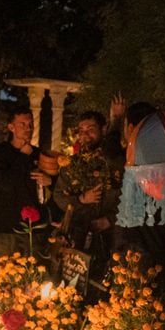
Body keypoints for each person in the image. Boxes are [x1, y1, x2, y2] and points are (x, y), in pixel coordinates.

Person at [53, 111, 120, 281]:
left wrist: (110, 219)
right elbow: (59, 196)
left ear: (103, 130)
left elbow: (129, 198)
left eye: (90, 129)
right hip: (78, 236)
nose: (85, 135)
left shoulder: (115, 163)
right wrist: (81, 199)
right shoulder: (71, 165)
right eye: (81, 130)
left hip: (110, 236)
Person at [0, 106, 51, 257]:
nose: (27, 128)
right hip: (7, 227)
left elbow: (50, 189)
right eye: (22, 124)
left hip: (34, 228)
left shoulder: (39, 155)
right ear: (11, 127)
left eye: (30, 124)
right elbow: (4, 183)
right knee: (7, 275)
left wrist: (49, 181)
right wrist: (23, 157)